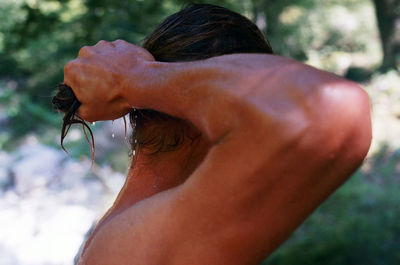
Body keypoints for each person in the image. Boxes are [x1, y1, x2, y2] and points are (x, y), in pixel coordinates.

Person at [62, 4, 371, 265]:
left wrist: (136, 80)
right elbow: (329, 108)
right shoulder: (134, 246)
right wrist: (134, 76)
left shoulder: (128, 227)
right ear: (207, 114)